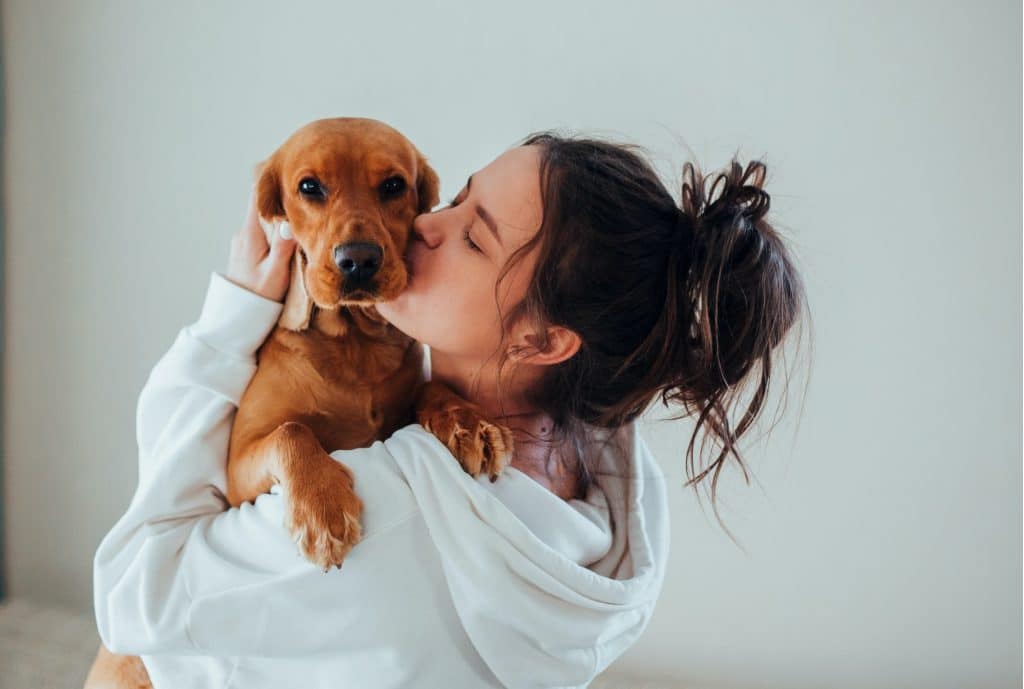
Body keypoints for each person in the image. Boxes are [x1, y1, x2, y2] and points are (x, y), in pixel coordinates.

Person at [92, 132, 807, 689]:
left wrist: (225, 327)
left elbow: (130, 595)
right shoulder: (617, 497)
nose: (427, 226)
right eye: (457, 197)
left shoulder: (387, 510)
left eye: (474, 236)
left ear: (544, 338)